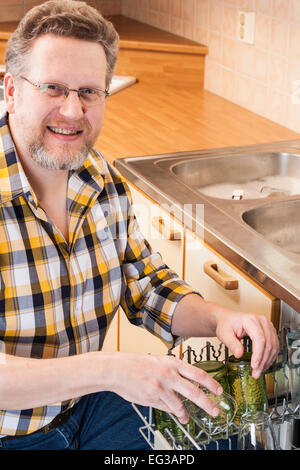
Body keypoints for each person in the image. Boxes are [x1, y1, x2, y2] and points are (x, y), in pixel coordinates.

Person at [0, 0, 278, 450]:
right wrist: (112, 370)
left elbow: (145, 285)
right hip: (12, 434)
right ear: (10, 90)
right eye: (53, 88)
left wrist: (221, 318)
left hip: (86, 408)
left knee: (220, 435)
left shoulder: (99, 178)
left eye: (90, 92)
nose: (73, 111)